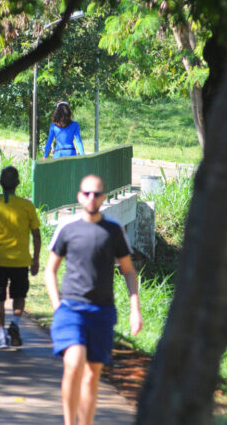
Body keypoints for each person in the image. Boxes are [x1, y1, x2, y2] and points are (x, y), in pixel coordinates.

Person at [44, 174, 143, 425]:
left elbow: (128, 270)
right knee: (74, 362)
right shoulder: (68, 228)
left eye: (96, 193)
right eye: (87, 193)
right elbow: (50, 270)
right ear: (79, 196)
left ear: (103, 197)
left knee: (91, 375)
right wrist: (57, 306)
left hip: (101, 311)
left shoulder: (113, 230)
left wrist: (135, 309)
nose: (91, 198)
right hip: (70, 309)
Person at [0, 166, 42, 349]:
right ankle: (15, 324)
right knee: (19, 295)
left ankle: (1, 337)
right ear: (18, 183)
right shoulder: (26, 206)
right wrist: (35, 259)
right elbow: (36, 235)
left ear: (0, 183)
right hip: (20, 260)